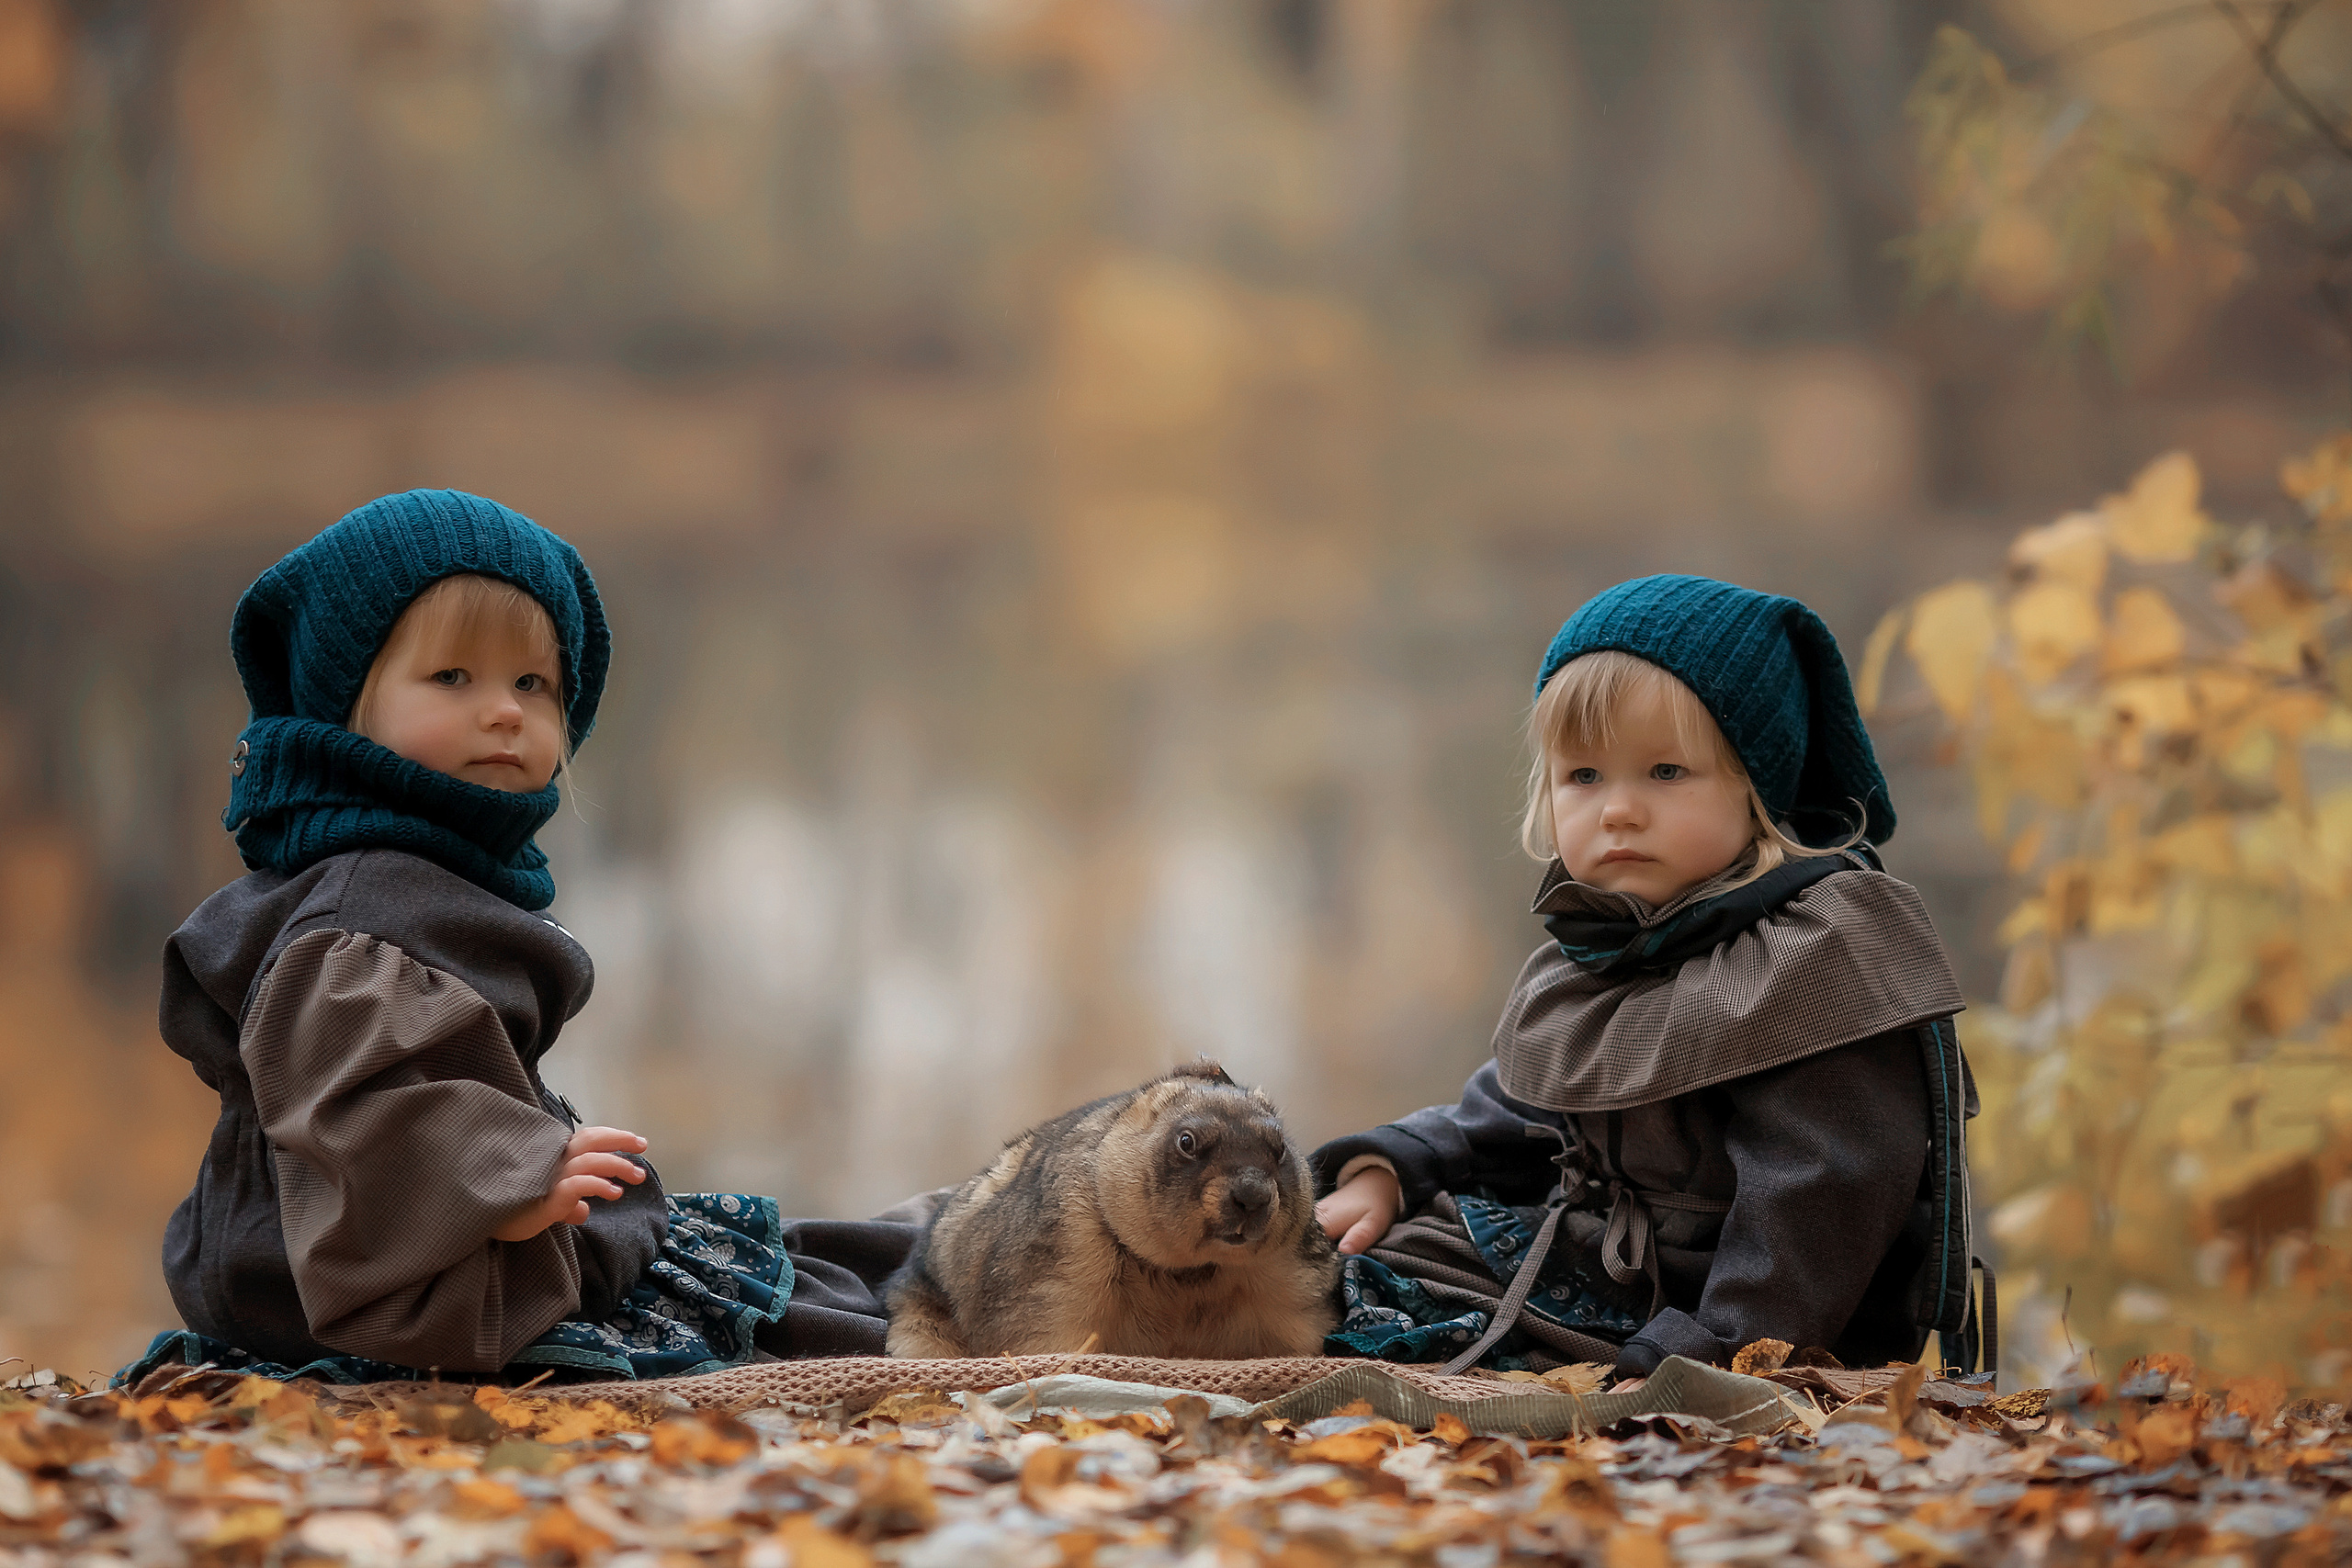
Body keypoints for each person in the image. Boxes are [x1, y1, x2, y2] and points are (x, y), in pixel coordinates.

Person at [129, 490, 916, 1385]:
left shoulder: (423, 878)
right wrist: (504, 1181)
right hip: (364, 1280)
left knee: (780, 1262)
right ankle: (937, 1297)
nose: (504, 710)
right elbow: (361, 1105)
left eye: (531, 684)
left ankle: (944, 1252)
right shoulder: (356, 916)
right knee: (785, 1319)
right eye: (452, 677)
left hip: (484, 1233)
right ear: (345, 706)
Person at [1312, 574, 1976, 1383]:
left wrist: (1709, 1352)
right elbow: (1523, 1108)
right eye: (1584, 776)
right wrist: (1393, 1169)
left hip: (1735, 1312)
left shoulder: (1819, 955)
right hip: (1606, 1268)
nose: (1617, 810)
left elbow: (1824, 1195)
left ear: (1757, 788)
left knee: (1397, 1316)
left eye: (1665, 771)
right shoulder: (1611, 941)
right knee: (1365, 1262)